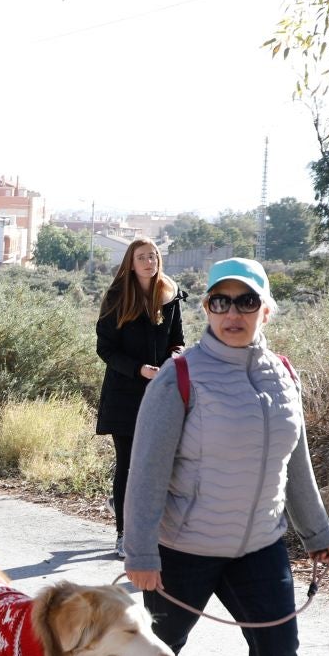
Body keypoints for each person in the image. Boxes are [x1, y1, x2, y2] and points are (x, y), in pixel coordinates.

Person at [120, 258, 329, 656]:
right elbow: (145, 470)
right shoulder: (181, 376)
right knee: (160, 651)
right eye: (220, 302)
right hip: (183, 548)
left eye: (246, 302)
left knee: (278, 653)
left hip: (260, 547)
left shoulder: (283, 374)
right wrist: (141, 552)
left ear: (266, 309)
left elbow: (296, 463)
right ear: (206, 310)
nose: (232, 313)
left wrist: (316, 530)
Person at [95, 239, 185, 558]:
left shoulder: (171, 297)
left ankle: (154, 526)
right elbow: (105, 348)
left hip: (162, 394)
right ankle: (123, 533)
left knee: (161, 464)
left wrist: (173, 361)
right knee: (129, 464)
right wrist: (138, 370)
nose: (149, 261)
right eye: (142, 257)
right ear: (131, 264)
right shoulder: (117, 297)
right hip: (124, 394)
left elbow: (178, 342)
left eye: (153, 256)